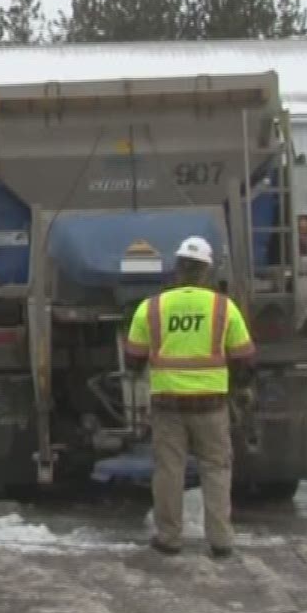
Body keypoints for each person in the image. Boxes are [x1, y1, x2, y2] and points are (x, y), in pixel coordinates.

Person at [123, 236, 255, 558]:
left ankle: (169, 537)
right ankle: (221, 540)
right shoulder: (223, 307)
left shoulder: (151, 308)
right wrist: (236, 388)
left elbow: (133, 359)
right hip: (211, 404)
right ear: (206, 271)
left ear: (177, 270)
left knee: (169, 469)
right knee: (216, 468)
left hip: (168, 404)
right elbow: (245, 358)